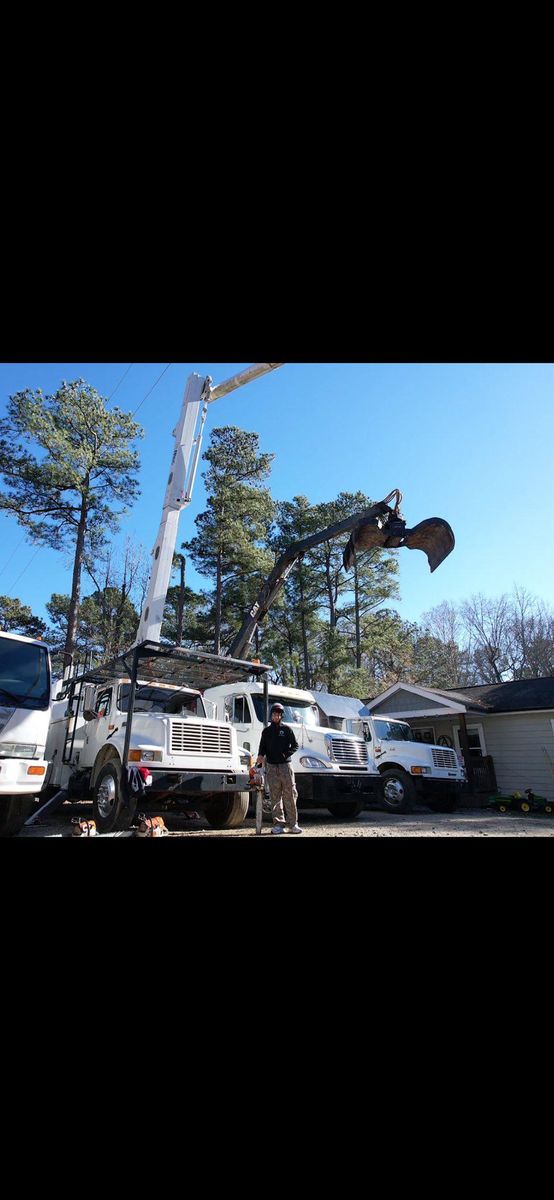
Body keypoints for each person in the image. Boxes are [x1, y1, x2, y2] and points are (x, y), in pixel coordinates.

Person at [255, 702, 302, 834]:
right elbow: (262, 747)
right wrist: (260, 756)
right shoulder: (266, 731)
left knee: (290, 795)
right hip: (271, 766)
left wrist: (286, 754)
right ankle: (278, 824)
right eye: (274, 714)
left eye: (278, 714)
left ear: (281, 716)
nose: (276, 716)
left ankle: (293, 824)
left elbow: (295, 745)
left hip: (285, 766)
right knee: (275, 797)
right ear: (272, 715)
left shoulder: (287, 730)